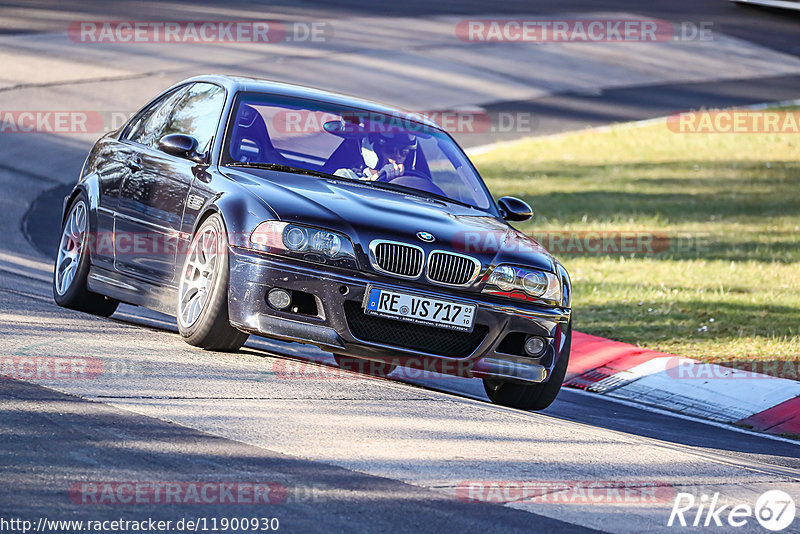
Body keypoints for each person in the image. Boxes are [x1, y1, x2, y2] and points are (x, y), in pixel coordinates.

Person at [335, 131, 417, 182]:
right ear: (372, 151)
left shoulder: (412, 185)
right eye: (390, 150)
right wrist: (376, 178)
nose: (398, 156)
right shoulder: (346, 176)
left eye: (404, 152)